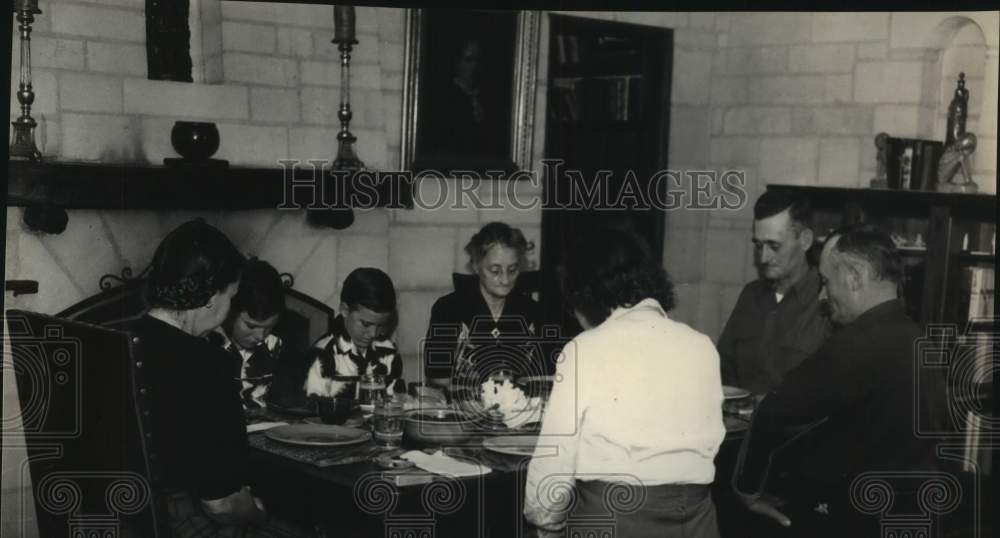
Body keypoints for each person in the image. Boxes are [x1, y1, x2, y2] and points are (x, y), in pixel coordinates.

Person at [734, 224, 945, 537]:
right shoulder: (918, 339)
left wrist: (748, 489)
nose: (822, 295)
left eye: (825, 282)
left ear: (855, 277)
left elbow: (773, 412)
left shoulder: (858, 343)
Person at [523, 229, 725, 538]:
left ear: (587, 294)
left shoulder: (584, 349)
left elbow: (554, 464)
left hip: (613, 520)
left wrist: (547, 522)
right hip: (696, 522)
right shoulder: (702, 346)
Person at [124, 220, 303, 536]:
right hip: (181, 524)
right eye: (231, 296)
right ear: (210, 296)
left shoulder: (116, 338)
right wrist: (260, 516)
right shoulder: (210, 363)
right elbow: (222, 504)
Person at [717, 190, 831, 395]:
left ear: (805, 240)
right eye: (759, 245)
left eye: (774, 246)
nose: (763, 258)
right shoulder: (750, 296)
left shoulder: (826, 301)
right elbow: (723, 370)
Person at [424, 222, 548, 391]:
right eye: (495, 271)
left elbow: (542, 378)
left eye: (512, 270)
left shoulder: (533, 311)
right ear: (476, 266)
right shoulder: (447, 309)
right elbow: (439, 380)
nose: (505, 280)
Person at [303, 267, 403, 398]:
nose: (373, 334)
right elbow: (312, 408)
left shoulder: (388, 351)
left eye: (381, 325)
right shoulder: (322, 354)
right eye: (366, 324)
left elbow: (395, 401)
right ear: (345, 310)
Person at [208, 258, 285, 411]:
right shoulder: (208, 344)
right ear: (229, 311)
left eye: (269, 327)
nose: (260, 336)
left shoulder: (275, 345)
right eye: (251, 326)